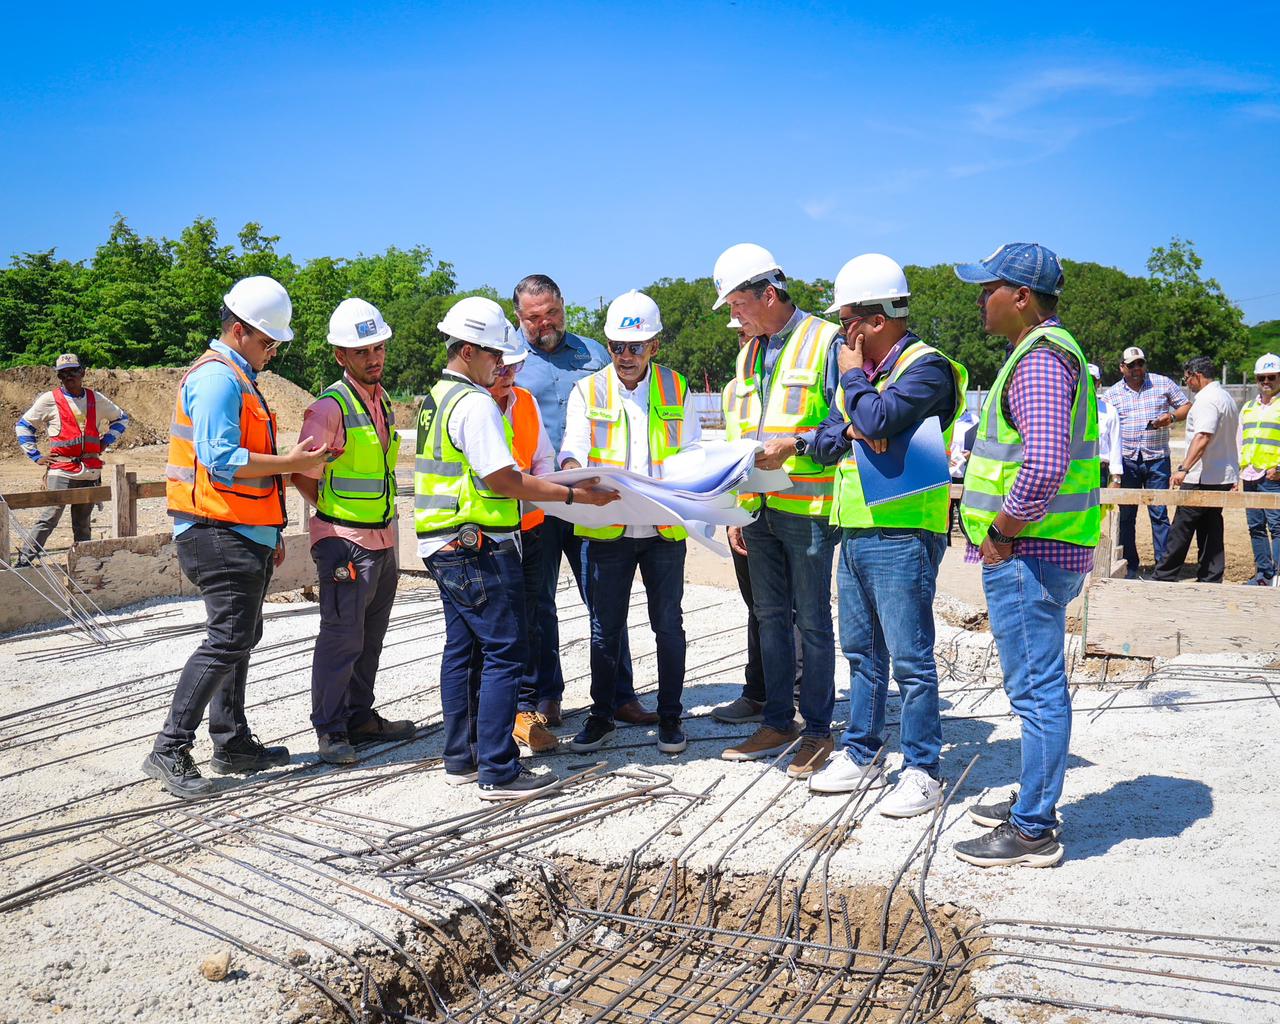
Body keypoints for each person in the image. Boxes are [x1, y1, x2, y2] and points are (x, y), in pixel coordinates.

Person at [415, 296, 617, 800]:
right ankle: (499, 770)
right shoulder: (475, 403)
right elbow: (505, 479)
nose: (502, 365)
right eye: (494, 356)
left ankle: (462, 758)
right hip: (478, 543)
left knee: (463, 652)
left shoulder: (435, 397)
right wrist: (574, 493)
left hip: (441, 542)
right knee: (506, 653)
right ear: (467, 350)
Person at [145, 277, 333, 798]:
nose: (273, 352)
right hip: (213, 529)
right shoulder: (217, 380)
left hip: (238, 529)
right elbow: (221, 461)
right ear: (238, 330)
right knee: (228, 637)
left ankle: (231, 742)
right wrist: (294, 463)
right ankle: (169, 748)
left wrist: (269, 530)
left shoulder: (241, 378)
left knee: (241, 638)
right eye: (268, 342)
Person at [952, 243, 1100, 868]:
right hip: (1047, 550)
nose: (980, 300)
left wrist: (1002, 532)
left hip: (1029, 554)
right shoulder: (1049, 353)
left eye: (988, 289)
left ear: (1021, 296)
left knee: (1037, 691)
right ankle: (1033, 800)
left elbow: (1040, 466)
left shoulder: (1038, 361)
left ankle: (1033, 828)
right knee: (1037, 687)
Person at [806, 255, 968, 817]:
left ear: (873, 320)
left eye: (847, 320)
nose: (841, 335)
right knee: (861, 651)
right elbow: (828, 441)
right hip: (854, 527)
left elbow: (873, 423)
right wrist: (857, 416)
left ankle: (922, 767)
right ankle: (862, 749)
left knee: (910, 660)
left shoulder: (928, 368)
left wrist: (856, 396)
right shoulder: (867, 379)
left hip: (904, 531)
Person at [712, 243, 842, 779]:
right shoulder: (748, 352)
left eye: (739, 303)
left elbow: (844, 427)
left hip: (808, 506)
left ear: (769, 293)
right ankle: (776, 720)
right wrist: (737, 505)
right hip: (757, 506)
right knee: (768, 617)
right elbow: (743, 433)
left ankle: (816, 731)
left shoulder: (826, 341)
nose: (734, 314)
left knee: (812, 620)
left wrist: (797, 443)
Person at [510, 274, 655, 728]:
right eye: (533, 318)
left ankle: (619, 693)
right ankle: (544, 696)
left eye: (551, 312)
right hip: (538, 498)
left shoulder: (595, 354)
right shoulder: (509, 360)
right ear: (519, 318)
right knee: (538, 602)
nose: (544, 323)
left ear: (563, 307)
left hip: (593, 498)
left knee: (605, 600)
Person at [560, 290, 701, 755]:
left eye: (635, 347)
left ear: (654, 346)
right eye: (617, 346)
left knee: (668, 625)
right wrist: (569, 467)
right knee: (605, 628)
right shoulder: (589, 390)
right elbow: (572, 446)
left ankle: (671, 718)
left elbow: (694, 454)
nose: (625, 356)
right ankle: (602, 716)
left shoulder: (676, 388)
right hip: (609, 529)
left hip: (662, 530)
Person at [292, 298, 415, 766]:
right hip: (345, 542)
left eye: (378, 347)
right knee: (341, 637)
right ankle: (330, 729)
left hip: (382, 539)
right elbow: (300, 471)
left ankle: (360, 717)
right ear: (340, 356)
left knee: (369, 636)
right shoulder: (329, 407)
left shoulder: (380, 399)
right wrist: (331, 515)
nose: (374, 357)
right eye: (361, 351)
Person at [485, 329, 560, 754]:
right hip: (493, 533)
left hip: (530, 526)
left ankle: (539, 700)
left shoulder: (525, 402)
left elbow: (542, 457)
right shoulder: (473, 406)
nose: (509, 375)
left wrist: (545, 488)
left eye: (515, 367)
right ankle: (509, 709)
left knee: (538, 613)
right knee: (503, 625)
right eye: (503, 367)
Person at [14, 354, 130, 565]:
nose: (69, 377)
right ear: (59, 376)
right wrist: (36, 456)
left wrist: (105, 442)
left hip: (91, 469)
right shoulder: (49, 400)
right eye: (63, 374)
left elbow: (121, 418)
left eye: (73, 372)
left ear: (82, 372)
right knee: (50, 516)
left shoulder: (96, 398)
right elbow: (23, 425)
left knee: (83, 522)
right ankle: (24, 562)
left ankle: (83, 564)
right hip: (62, 468)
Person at [1151, 357, 1240, 584]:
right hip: (1220, 474)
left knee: (1182, 526)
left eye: (1187, 378)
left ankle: (1164, 576)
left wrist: (1183, 468)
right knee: (1210, 526)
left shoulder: (1207, 400)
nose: (1187, 383)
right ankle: (1211, 576)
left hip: (1201, 474)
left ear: (1196, 375)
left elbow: (1202, 437)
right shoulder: (1225, 397)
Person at [1104, 347, 1191, 578]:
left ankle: (1163, 568)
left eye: (1140, 364)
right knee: (1126, 516)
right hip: (1128, 460)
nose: (1136, 369)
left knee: (1159, 513)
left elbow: (1186, 406)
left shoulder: (1162, 384)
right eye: (1131, 365)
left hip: (1157, 459)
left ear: (1145, 365)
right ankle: (1129, 566)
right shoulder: (1112, 394)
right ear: (1122, 367)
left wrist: (1171, 417)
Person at [1239, 354, 1280, 586]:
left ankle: (1278, 575)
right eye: (1262, 377)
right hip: (1251, 476)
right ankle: (1264, 575)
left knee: (1277, 527)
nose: (1266, 381)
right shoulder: (1248, 408)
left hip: (1274, 477)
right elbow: (1240, 441)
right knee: (1255, 527)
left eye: (1271, 377)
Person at [1089, 365, 1123, 488]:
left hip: (1100, 472)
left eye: (1091, 380)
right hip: (1074, 472)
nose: (1087, 384)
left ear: (1098, 383)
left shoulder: (1109, 410)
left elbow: (1115, 444)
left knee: (1100, 508)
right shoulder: (1067, 409)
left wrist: (1116, 478)